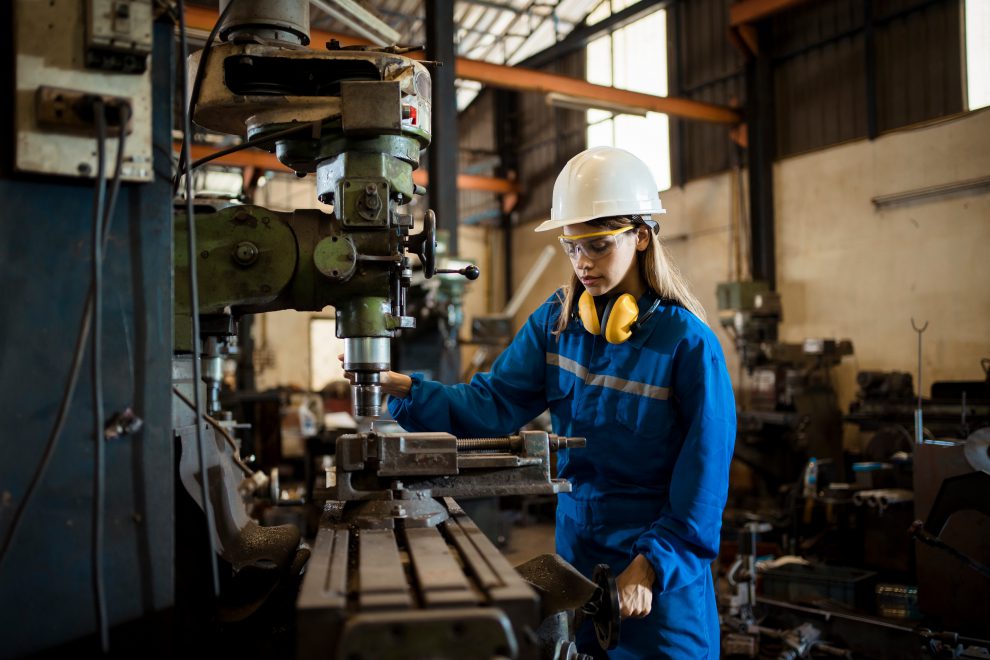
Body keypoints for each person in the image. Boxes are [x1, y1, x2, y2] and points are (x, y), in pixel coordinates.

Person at [364, 146, 735, 659]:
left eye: (599, 246)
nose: (583, 262)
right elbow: (490, 404)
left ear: (642, 236)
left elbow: (704, 483)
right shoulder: (558, 323)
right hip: (578, 557)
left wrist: (652, 567)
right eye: (572, 247)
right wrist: (406, 389)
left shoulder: (687, 344)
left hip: (659, 581)